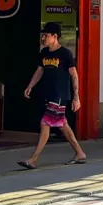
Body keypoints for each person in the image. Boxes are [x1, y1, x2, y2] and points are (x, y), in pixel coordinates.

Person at [18, 23, 87, 170]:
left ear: (55, 36)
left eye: (46, 35)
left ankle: (33, 159)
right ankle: (80, 153)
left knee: (45, 123)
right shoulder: (44, 52)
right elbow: (39, 71)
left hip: (60, 95)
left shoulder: (65, 53)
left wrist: (76, 97)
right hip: (49, 95)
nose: (43, 38)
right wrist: (30, 86)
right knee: (62, 124)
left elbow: (74, 75)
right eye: (42, 35)